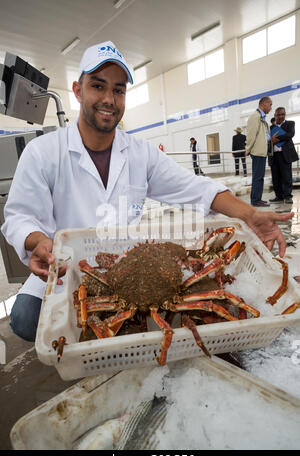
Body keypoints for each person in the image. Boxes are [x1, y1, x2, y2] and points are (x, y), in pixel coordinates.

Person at [1, 41, 293, 342]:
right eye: (98, 86)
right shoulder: (43, 153)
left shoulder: (140, 153)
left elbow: (195, 188)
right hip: (66, 269)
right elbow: (19, 215)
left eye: (118, 90)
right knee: (25, 318)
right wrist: (36, 241)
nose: (109, 99)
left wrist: (249, 214)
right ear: (78, 91)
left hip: (129, 268)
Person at [245, 96, 273, 207]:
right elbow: (251, 135)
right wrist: (248, 149)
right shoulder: (255, 116)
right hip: (257, 152)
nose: (271, 107)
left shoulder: (261, 117)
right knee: (257, 177)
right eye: (270, 104)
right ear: (264, 104)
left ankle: (258, 199)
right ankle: (255, 200)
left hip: (262, 151)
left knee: (260, 177)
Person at [269, 107, 299, 204]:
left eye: (282, 114)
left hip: (285, 154)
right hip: (274, 155)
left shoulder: (290, 124)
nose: (280, 116)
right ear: (275, 116)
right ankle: (279, 196)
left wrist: (276, 139)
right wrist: (270, 140)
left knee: (287, 176)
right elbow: (267, 139)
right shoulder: (271, 128)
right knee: (275, 177)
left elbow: (290, 134)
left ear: (285, 114)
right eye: (278, 115)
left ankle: (287, 196)